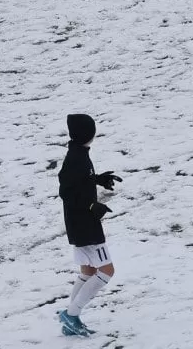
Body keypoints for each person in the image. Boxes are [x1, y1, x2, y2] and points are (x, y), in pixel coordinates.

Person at [58, 113, 121, 337]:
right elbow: (65, 190)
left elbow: (78, 182)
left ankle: (70, 320)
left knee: (89, 270)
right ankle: (71, 314)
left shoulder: (78, 154)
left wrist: (98, 179)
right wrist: (91, 206)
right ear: (89, 134)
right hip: (86, 224)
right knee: (107, 271)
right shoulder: (77, 157)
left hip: (79, 224)